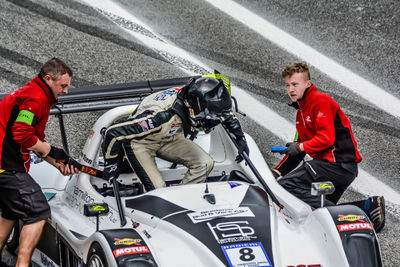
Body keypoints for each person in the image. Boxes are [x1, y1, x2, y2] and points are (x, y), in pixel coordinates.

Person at [271, 62, 385, 233]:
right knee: (320, 215)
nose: (291, 89)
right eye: (287, 85)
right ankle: (367, 208)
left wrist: (301, 147)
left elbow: (326, 139)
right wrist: (274, 173)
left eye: (295, 84)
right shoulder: (300, 113)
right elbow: (296, 152)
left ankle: (356, 213)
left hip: (338, 165)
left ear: (307, 84)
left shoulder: (320, 100)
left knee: (287, 185)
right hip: (333, 168)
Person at [103, 75, 249, 190]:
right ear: (193, 109)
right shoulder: (161, 116)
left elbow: (224, 114)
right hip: (142, 143)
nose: (212, 122)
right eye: (208, 117)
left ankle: (182, 200)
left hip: (170, 137)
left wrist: (240, 137)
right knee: (158, 190)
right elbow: (113, 132)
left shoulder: (196, 100)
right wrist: (112, 164)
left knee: (205, 163)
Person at [0, 58, 78, 267]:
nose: (65, 91)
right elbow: (22, 133)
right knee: (37, 211)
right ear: (48, 79)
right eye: (63, 86)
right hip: (5, 166)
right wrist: (51, 150)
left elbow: (34, 140)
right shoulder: (35, 98)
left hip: (6, 163)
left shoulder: (34, 93)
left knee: (10, 212)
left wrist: (57, 162)